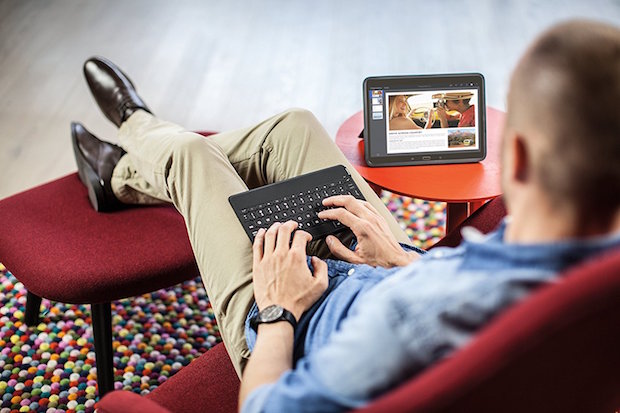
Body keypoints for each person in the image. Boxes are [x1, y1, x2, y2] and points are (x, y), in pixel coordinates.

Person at [71, 19, 620, 413]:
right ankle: (126, 169)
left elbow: (267, 407)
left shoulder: (404, 324)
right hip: (386, 274)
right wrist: (401, 257)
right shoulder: (597, 268)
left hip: (295, 322)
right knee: (294, 127)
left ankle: (133, 134)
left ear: (516, 158)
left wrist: (279, 310)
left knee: (193, 157)